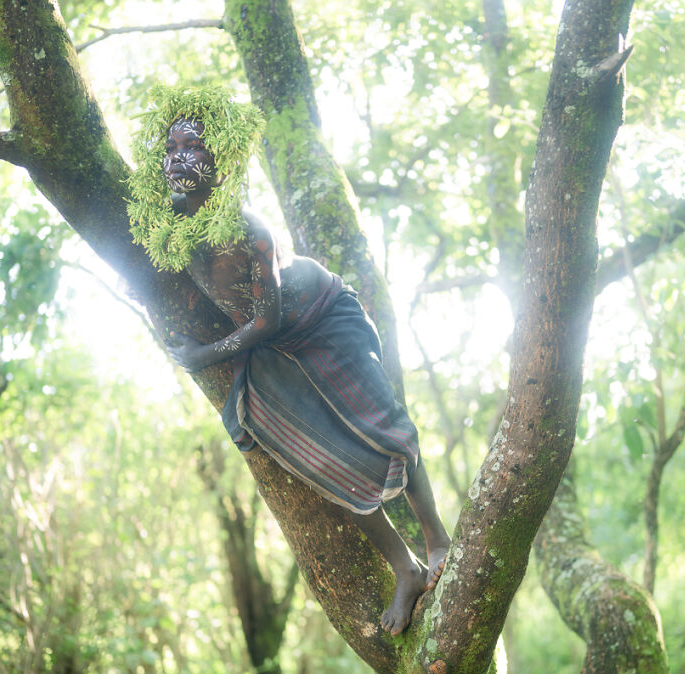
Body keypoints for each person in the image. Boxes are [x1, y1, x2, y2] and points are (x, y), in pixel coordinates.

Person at [128, 88, 450, 635]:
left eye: (194, 147)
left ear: (220, 159)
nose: (180, 157)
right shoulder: (169, 223)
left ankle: (437, 540)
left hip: (323, 319)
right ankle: (406, 568)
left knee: (384, 429)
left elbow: (266, 320)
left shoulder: (248, 228)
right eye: (172, 146)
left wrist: (203, 355)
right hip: (276, 349)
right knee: (320, 457)